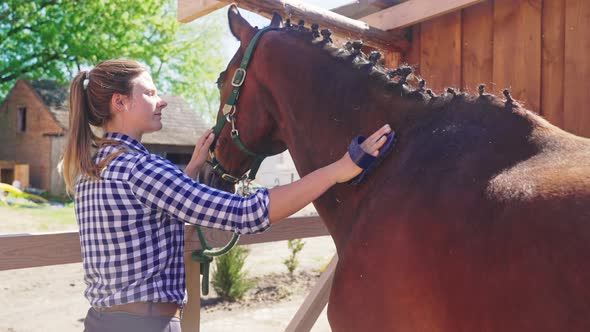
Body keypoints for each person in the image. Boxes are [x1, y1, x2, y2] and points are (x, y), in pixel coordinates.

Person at [61, 59, 392, 332]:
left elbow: (139, 221)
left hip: (102, 322)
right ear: (120, 102)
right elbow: (245, 214)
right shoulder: (140, 170)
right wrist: (338, 169)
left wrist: (189, 172)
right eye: (149, 92)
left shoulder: (93, 167)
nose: (161, 100)